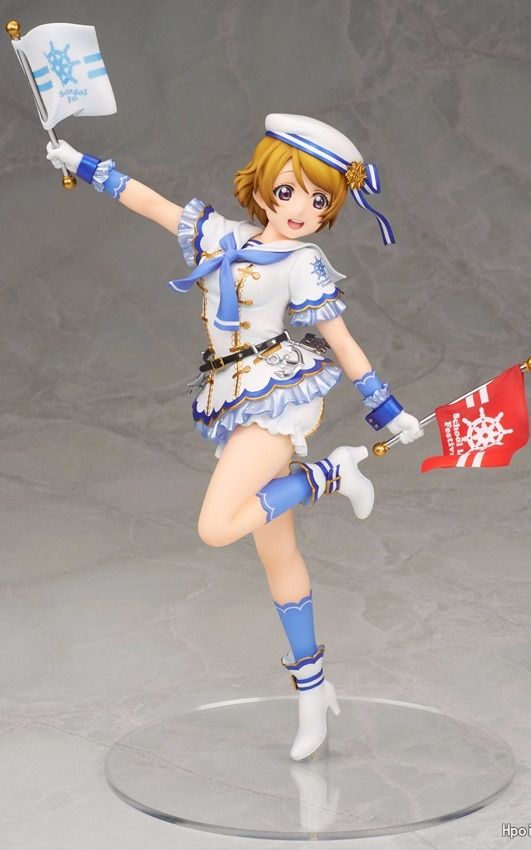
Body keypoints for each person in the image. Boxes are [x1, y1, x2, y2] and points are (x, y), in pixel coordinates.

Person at [46, 113, 423, 761]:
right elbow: (151, 204)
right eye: (288, 191)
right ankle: (314, 693)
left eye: (319, 201)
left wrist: (385, 408)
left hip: (274, 398)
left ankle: (331, 475)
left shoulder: (303, 262)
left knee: (217, 526)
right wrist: (79, 163)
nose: (299, 210)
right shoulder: (223, 236)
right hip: (232, 396)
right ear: (263, 185)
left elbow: (341, 339)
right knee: (279, 556)